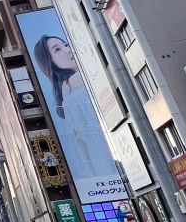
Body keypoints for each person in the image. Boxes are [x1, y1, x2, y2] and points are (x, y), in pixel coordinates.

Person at [32, 35, 122, 186]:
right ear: (51, 63)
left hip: (105, 165)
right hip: (112, 156)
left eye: (65, 44)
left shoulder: (66, 91)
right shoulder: (74, 83)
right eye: (58, 49)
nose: (67, 50)